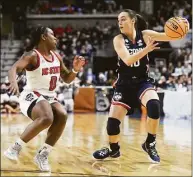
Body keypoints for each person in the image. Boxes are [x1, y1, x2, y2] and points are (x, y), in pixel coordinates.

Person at [93, 9, 188, 163]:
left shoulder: (145, 34)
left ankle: (150, 143)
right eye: (119, 20)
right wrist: (146, 49)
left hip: (142, 82)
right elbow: (128, 60)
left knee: (154, 106)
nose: (120, 23)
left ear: (133, 21)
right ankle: (113, 150)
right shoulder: (118, 39)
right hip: (124, 85)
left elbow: (168, 35)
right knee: (112, 125)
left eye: (123, 19)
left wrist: (181, 30)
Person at [4, 26, 85, 171]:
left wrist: (75, 70)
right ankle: (14, 148)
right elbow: (13, 69)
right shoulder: (32, 55)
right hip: (31, 95)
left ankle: (43, 154)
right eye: (52, 35)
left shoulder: (57, 56)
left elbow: (66, 79)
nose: (56, 38)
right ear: (43, 37)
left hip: (49, 96)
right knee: (47, 116)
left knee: (62, 115)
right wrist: (13, 82)